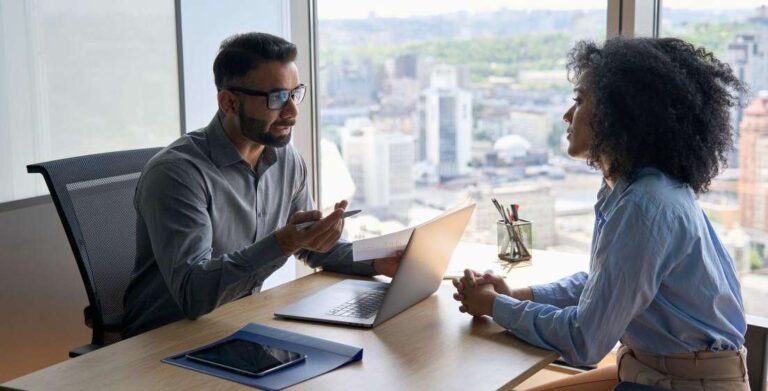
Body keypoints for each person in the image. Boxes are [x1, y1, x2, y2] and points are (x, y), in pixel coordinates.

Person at [453, 37, 749, 390]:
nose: (566, 115)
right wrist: (518, 296)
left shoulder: (643, 206)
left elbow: (586, 341)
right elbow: (604, 286)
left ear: (620, 114)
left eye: (578, 101)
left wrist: (494, 307)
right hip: (656, 373)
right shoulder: (639, 189)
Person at [122, 32, 400, 338]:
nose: (292, 112)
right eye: (277, 98)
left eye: (295, 94)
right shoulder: (177, 174)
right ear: (229, 102)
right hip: (164, 340)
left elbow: (314, 247)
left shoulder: (286, 159)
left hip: (237, 324)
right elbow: (193, 294)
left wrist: (376, 259)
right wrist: (283, 242)